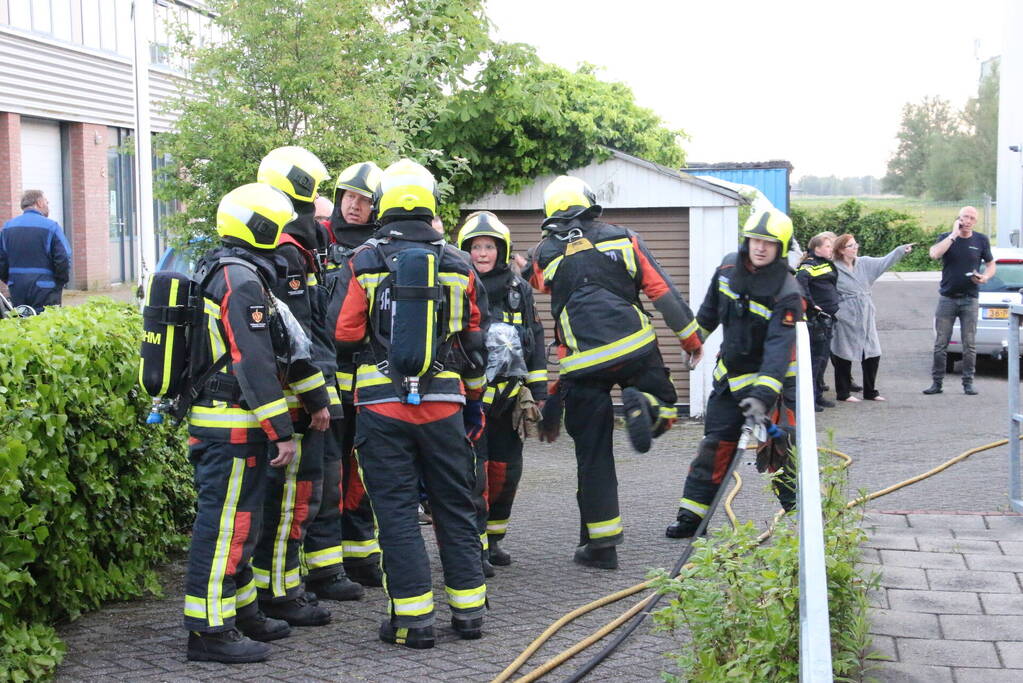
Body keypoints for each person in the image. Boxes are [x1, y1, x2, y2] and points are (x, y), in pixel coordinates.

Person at [329, 159, 490, 648]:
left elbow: (343, 332)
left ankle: (412, 621)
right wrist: (474, 402)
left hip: (381, 409)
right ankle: (469, 615)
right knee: (454, 508)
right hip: (444, 407)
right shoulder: (459, 263)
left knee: (396, 514)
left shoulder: (365, 259)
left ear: (384, 205)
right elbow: (476, 341)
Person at [528, 175, 703, 570]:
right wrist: (691, 341)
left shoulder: (544, 253)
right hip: (636, 349)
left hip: (583, 364)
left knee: (593, 456)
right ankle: (649, 408)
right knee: (666, 403)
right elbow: (662, 292)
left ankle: (602, 546)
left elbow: (535, 282)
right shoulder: (625, 238)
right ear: (591, 203)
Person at [182, 183, 325, 663]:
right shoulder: (241, 281)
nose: (284, 234)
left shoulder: (228, 271)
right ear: (260, 226)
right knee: (227, 528)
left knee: (242, 524)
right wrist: (281, 430)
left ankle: (241, 613)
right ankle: (208, 631)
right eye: (277, 225)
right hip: (232, 426)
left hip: (229, 423)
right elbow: (255, 360)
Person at [667, 209, 802, 538]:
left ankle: (800, 514)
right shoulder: (728, 268)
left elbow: (778, 350)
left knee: (780, 450)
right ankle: (691, 518)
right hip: (730, 380)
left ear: (780, 248)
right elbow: (710, 310)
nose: (760, 248)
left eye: (769, 243)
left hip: (774, 387)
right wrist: (695, 341)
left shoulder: (787, 292)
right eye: (755, 240)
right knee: (714, 447)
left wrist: (761, 397)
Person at [251, 146, 343, 624]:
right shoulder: (287, 253)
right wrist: (313, 398)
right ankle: (281, 593)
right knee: (290, 498)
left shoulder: (294, 248)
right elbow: (295, 338)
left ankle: (285, 586)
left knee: (296, 496)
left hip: (300, 395)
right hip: (296, 401)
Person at [457, 211, 546, 569]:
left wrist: (538, 386)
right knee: (474, 474)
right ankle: (474, 547)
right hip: (470, 398)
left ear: (501, 249)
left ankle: (494, 541)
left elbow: (534, 337)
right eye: (476, 247)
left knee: (505, 473)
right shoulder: (455, 282)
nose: (482, 253)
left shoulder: (518, 289)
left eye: (489, 246)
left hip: (509, 398)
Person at [323, 161, 385, 587]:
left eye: (363, 200)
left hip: (366, 379)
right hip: (324, 379)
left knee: (363, 470)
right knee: (326, 471)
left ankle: (361, 556)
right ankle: (327, 563)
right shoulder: (315, 240)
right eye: (348, 197)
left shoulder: (383, 248)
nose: (353, 206)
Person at [829, 234, 914, 402]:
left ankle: (870, 391)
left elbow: (884, 262)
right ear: (840, 250)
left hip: (866, 313)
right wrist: (837, 311)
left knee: (873, 352)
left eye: (855, 244)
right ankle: (843, 393)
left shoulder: (865, 263)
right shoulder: (833, 268)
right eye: (850, 246)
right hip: (845, 315)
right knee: (842, 354)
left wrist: (899, 251)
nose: (855, 248)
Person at [923, 206, 995, 396]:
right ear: (959, 217)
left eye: (972, 218)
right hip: (947, 298)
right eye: (965, 217)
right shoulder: (946, 237)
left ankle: (968, 383)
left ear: (975, 221)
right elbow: (934, 254)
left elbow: (990, 264)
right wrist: (954, 234)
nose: (968, 220)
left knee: (969, 344)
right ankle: (937, 383)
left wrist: (986, 277)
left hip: (970, 299)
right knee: (940, 344)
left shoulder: (981, 240)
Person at [0, 190, 71, 312]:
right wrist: (59, 282)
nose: (48, 206)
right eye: (47, 202)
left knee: (21, 322)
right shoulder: (51, 227)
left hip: (17, 287)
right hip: (46, 288)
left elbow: (2, 260)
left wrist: (11, 280)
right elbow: (63, 258)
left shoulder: (7, 228)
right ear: (39, 203)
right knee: (46, 325)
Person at [795, 231, 838, 411]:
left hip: (828, 319)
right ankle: (810, 399)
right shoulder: (808, 265)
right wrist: (813, 306)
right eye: (828, 246)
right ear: (817, 248)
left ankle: (818, 395)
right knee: (815, 360)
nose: (831, 249)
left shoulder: (826, 264)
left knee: (823, 359)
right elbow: (800, 285)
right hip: (817, 320)